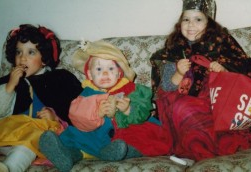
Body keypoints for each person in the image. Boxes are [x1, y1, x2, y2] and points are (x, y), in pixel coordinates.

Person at [150, 0, 251, 161]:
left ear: (209, 23)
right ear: (180, 23)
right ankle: (191, 151)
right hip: (185, 103)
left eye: (198, 19)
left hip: (217, 104)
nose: (191, 24)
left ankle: (200, 149)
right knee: (181, 108)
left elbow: (240, 68)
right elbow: (166, 86)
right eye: (186, 19)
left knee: (189, 110)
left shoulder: (221, 43)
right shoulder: (172, 50)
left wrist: (223, 70)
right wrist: (178, 73)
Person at [39, 40, 171, 172]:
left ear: (119, 73)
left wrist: (128, 110)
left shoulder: (132, 89)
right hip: (95, 137)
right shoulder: (86, 93)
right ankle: (67, 156)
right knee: (74, 137)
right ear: (90, 75)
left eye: (111, 68)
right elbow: (76, 115)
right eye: (99, 69)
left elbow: (144, 108)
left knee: (139, 138)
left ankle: (125, 152)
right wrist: (96, 113)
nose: (105, 73)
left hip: (127, 132)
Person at [0, 24, 83, 172]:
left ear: (44, 59)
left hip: (36, 135)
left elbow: (75, 112)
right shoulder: (9, 81)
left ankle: (6, 168)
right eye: (18, 52)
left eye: (31, 52)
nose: (22, 58)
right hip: (8, 132)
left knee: (26, 148)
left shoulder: (59, 80)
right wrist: (9, 86)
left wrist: (53, 117)